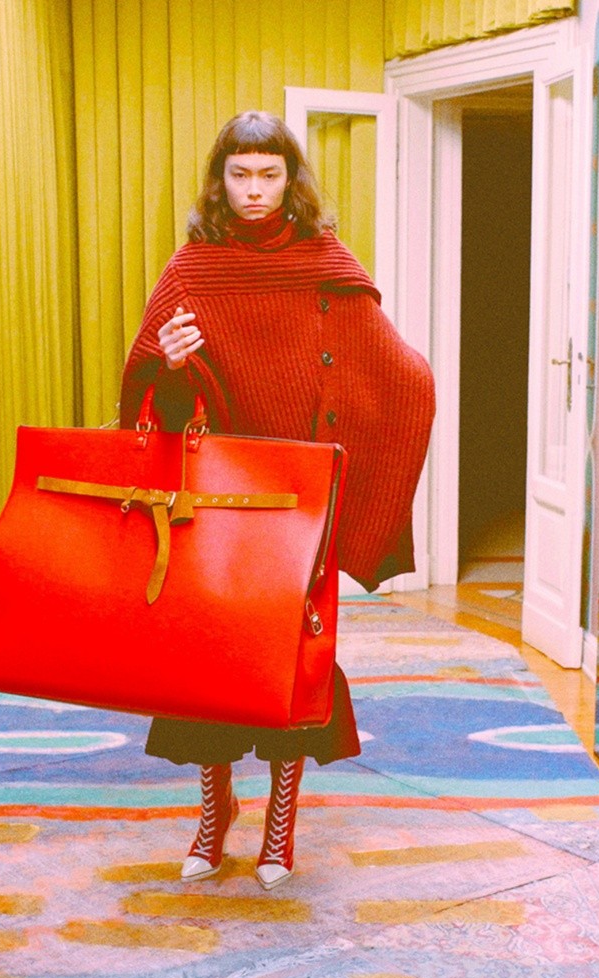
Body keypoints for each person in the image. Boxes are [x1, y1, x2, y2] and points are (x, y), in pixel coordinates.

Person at [120, 111, 435, 890]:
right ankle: (215, 809)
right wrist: (170, 363)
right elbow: (152, 406)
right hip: (218, 499)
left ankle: (280, 823)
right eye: (240, 174)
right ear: (219, 180)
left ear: (291, 180)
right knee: (209, 656)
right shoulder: (192, 269)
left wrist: (361, 461)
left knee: (294, 660)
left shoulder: (325, 262)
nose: (254, 190)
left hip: (301, 501)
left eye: (269, 174)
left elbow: (395, 372)